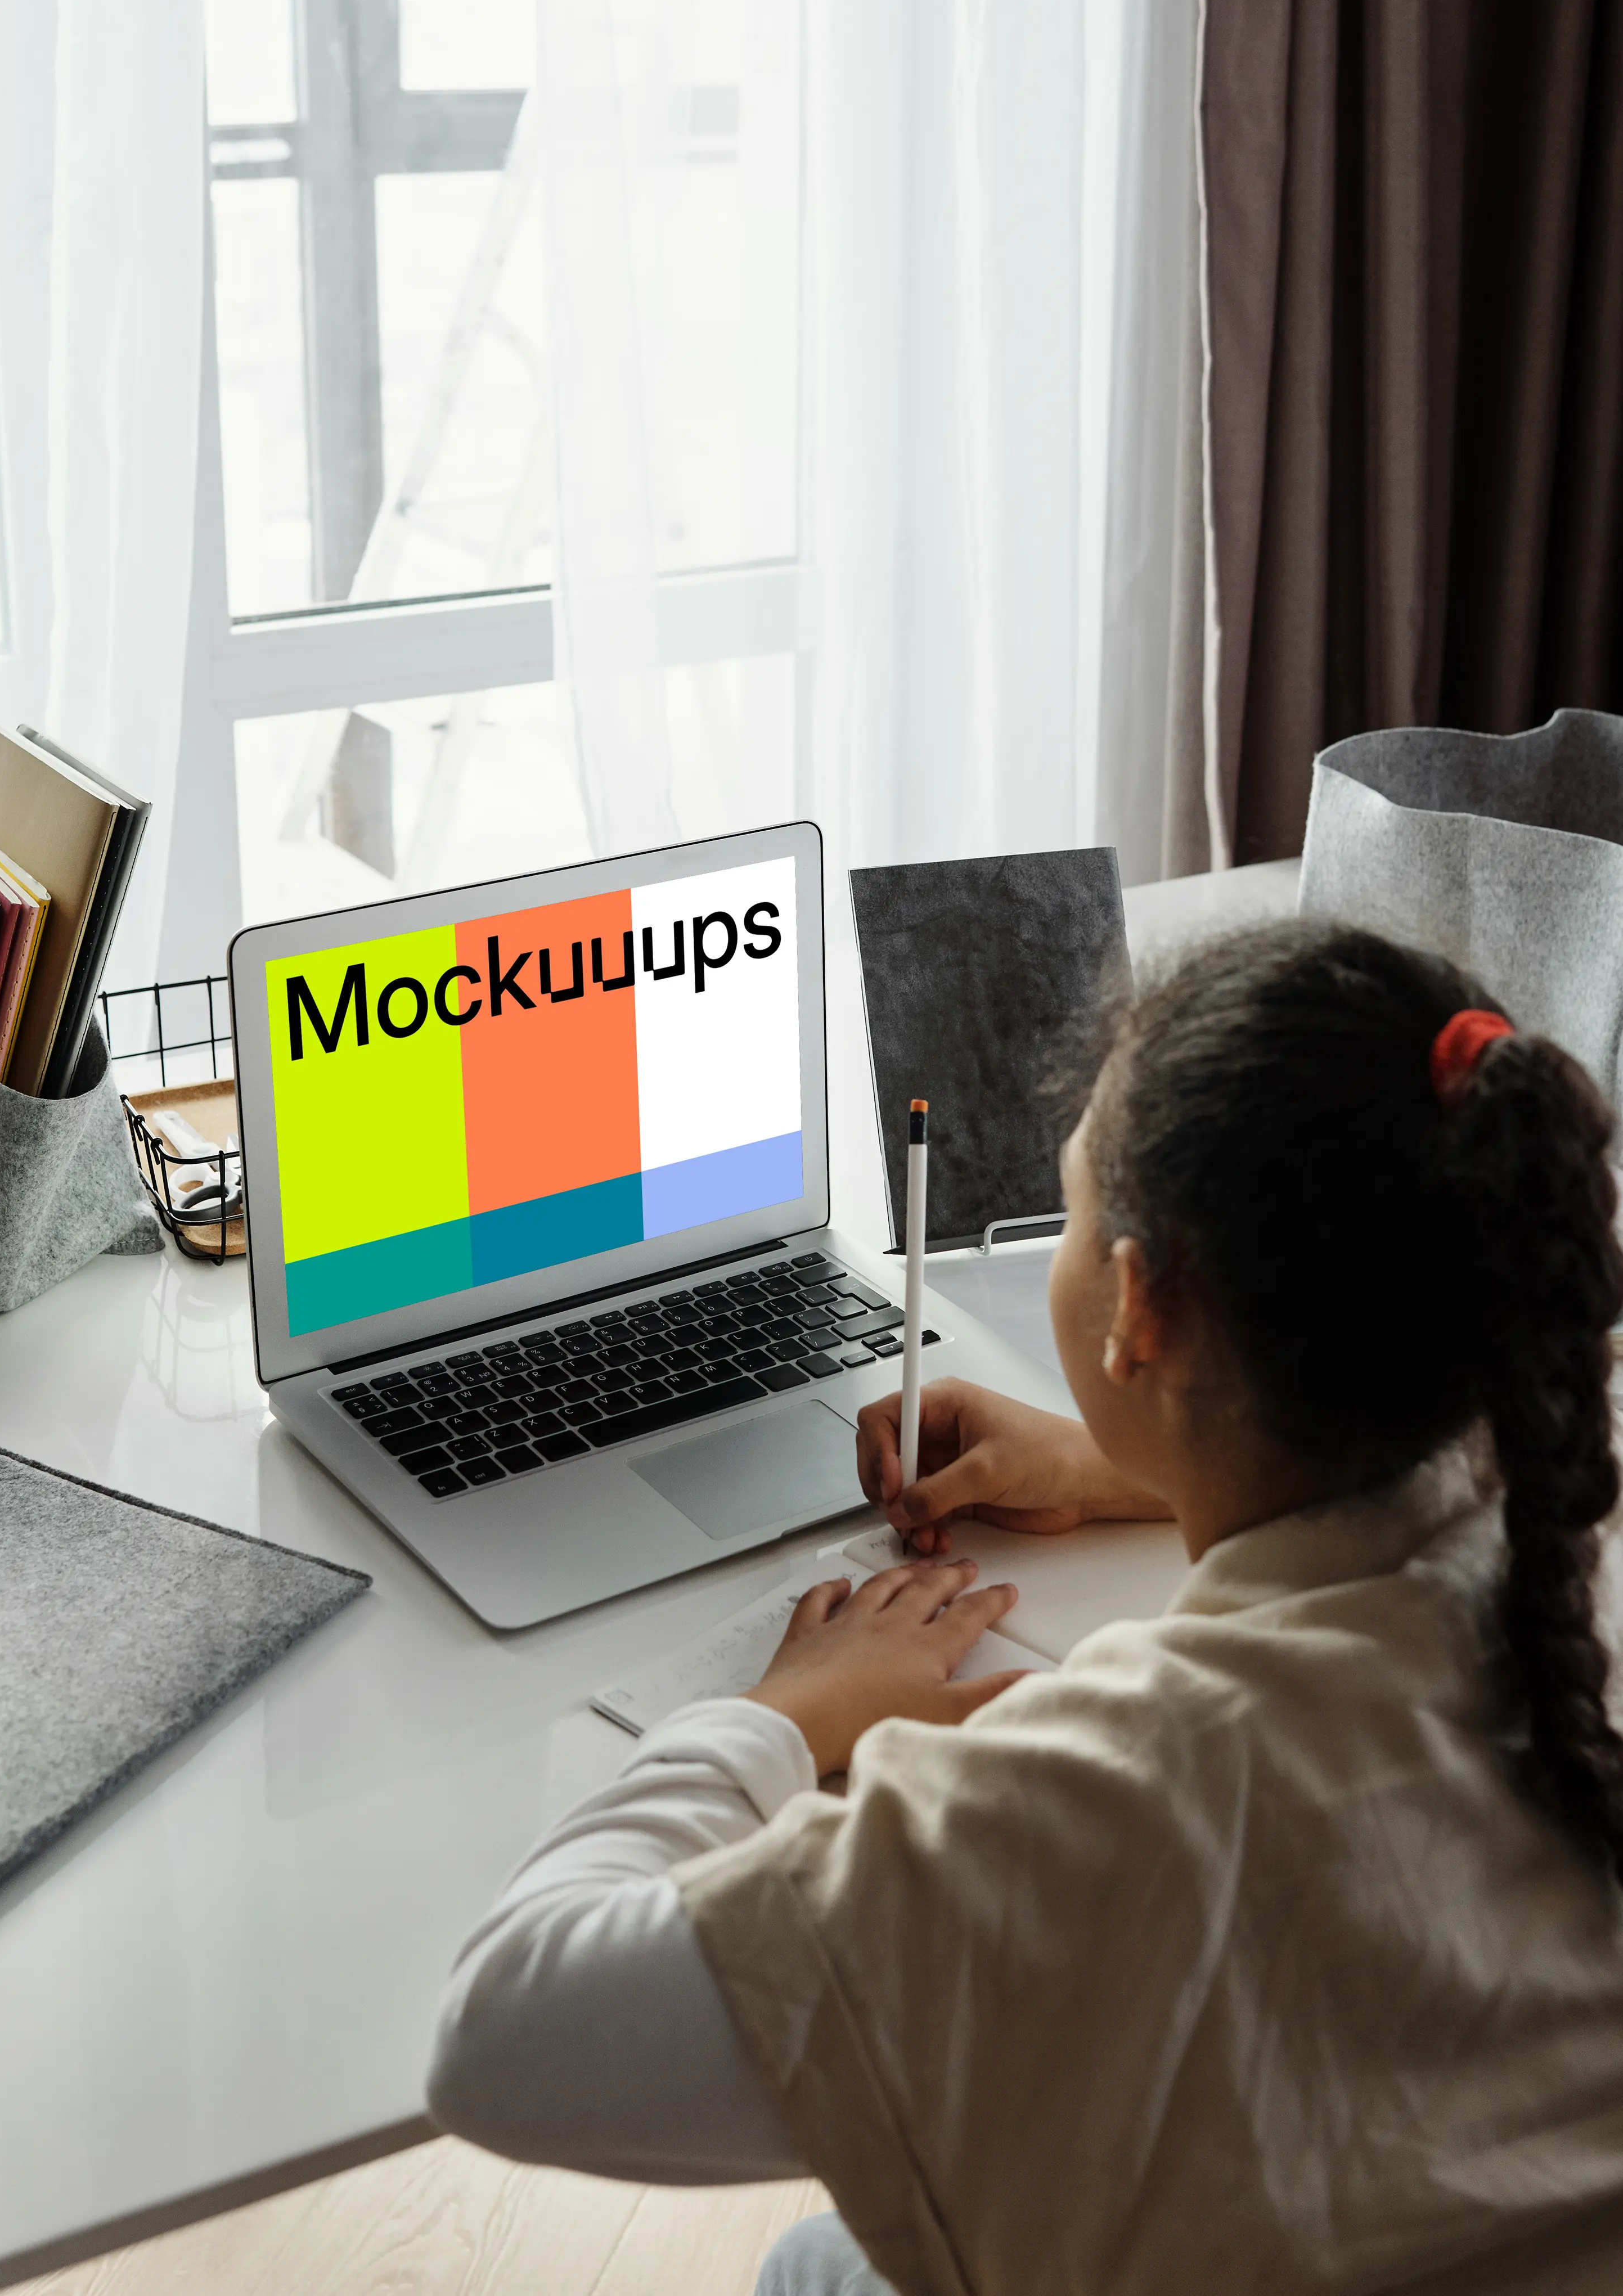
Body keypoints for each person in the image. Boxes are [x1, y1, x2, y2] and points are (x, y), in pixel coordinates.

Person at [428, 922, 1623, 2294]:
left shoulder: (1104, 1798)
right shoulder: (1576, 1471)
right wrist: (1132, 1456)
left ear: (1137, 1309)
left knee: (813, 2275)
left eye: (1071, 1211)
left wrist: (779, 1715)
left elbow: (501, 2031)